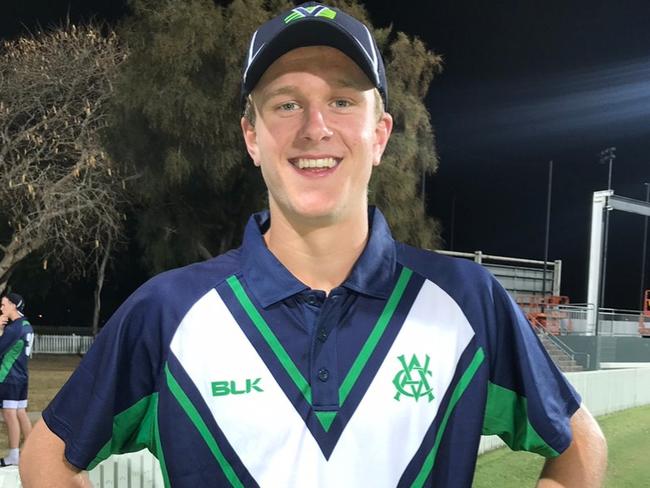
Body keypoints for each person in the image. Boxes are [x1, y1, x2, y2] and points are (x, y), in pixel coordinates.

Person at [20, 2, 607, 486]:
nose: (315, 127)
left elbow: (580, 444)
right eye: (286, 104)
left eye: (343, 100)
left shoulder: (465, 302)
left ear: (380, 134)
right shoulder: (168, 311)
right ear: (252, 137)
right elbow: (46, 455)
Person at [0, 292, 34, 467]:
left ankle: (13, 456)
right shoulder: (27, 325)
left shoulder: (14, 328)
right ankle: (31, 452)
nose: (1, 308)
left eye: (3, 304)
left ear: (13, 305)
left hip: (9, 377)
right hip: (22, 376)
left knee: (9, 414)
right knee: (20, 413)